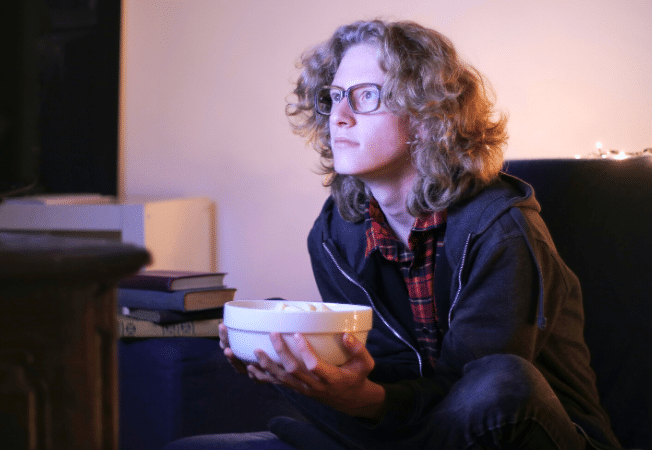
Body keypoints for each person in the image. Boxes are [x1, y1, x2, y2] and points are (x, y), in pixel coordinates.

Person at [164, 19, 620, 450]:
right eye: (334, 96)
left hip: (524, 431)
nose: (338, 116)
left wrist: (364, 402)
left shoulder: (501, 231)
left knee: (502, 383)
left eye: (364, 96)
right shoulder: (335, 234)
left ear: (426, 115)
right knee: (280, 336)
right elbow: (387, 372)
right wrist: (315, 374)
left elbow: (470, 400)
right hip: (406, 427)